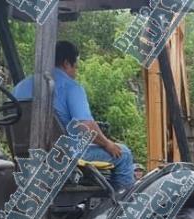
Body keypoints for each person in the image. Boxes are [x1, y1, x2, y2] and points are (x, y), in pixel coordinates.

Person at [13, 41, 135, 191]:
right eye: (75, 66)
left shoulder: (19, 88)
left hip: (26, 155)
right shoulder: (71, 87)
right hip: (63, 156)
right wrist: (107, 144)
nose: (75, 72)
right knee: (124, 154)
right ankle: (121, 208)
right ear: (66, 63)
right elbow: (86, 127)